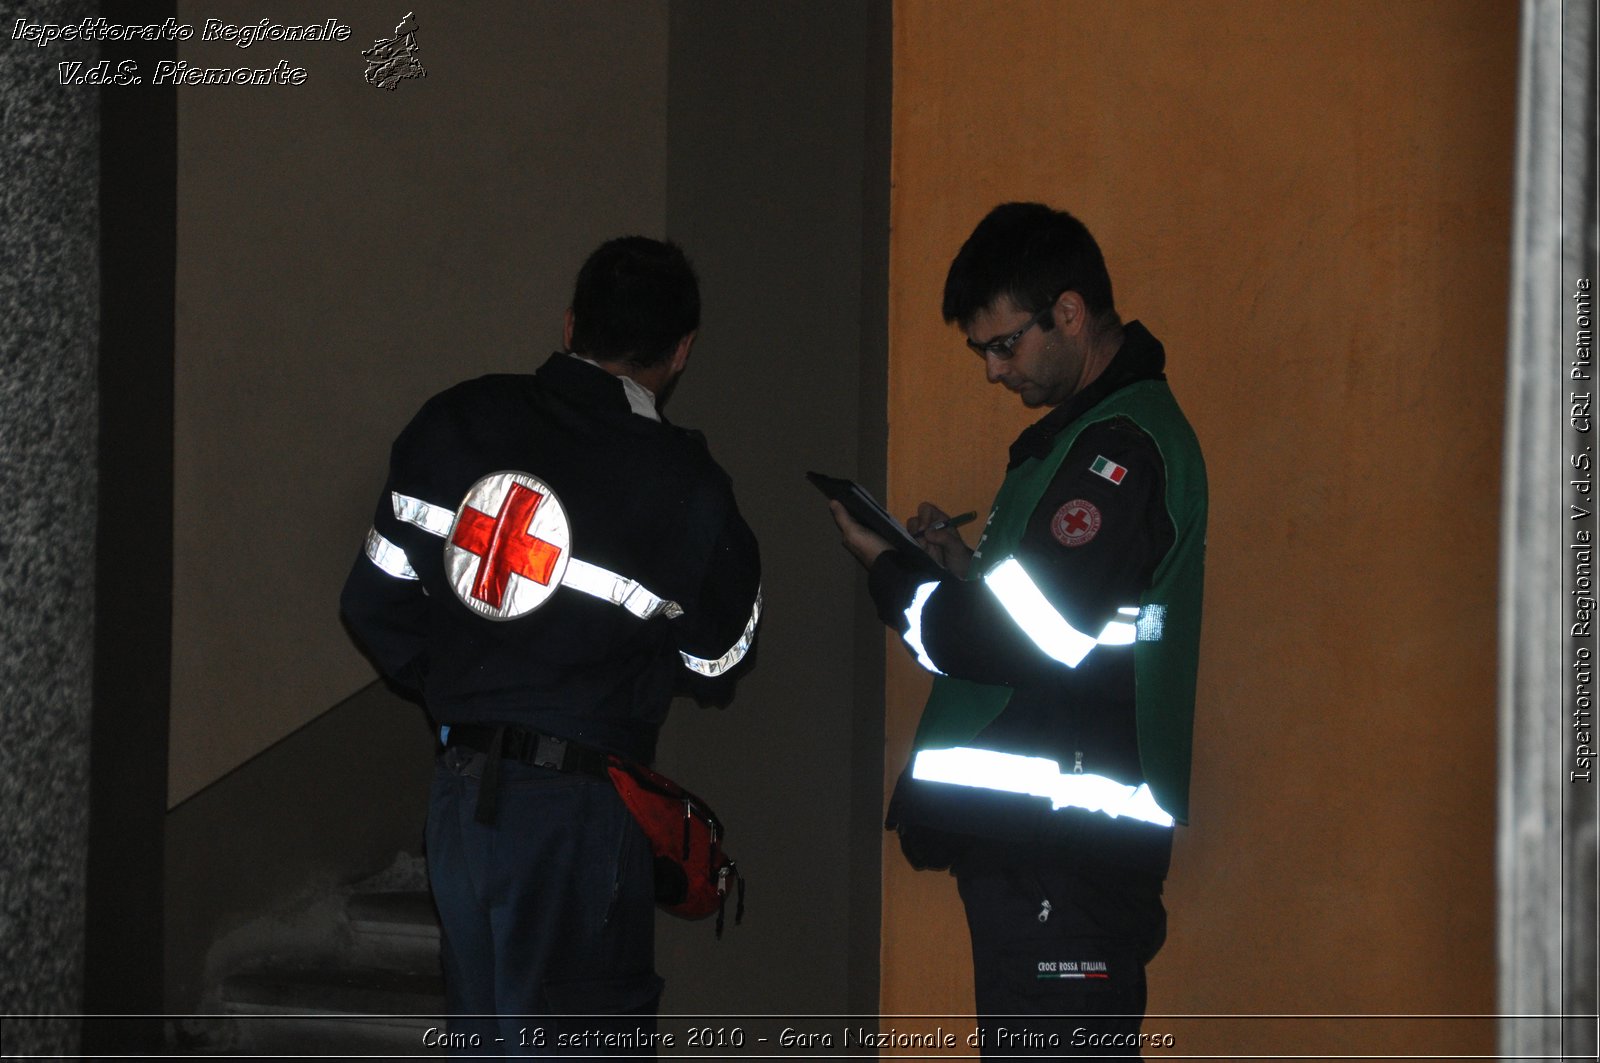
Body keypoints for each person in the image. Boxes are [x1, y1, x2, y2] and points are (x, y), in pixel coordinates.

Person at [341, 236, 762, 1052]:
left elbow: (372, 602)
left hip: (460, 799)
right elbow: (721, 656)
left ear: (570, 324)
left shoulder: (454, 419)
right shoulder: (683, 482)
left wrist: (471, 692)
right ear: (681, 352)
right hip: (577, 808)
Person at [828, 203, 1206, 1057]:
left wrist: (893, 578)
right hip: (1047, 850)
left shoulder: (1117, 449)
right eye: (982, 352)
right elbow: (1058, 615)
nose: (994, 373)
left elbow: (1020, 641)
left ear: (1068, 313)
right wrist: (958, 566)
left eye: (1004, 345)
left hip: (1063, 852)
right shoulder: (1087, 437)